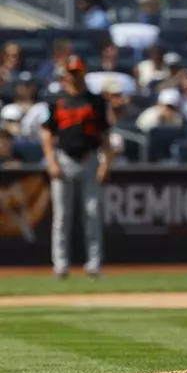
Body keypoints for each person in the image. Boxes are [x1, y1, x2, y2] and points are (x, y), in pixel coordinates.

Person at [40, 54, 113, 280]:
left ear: (84, 73)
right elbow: (46, 132)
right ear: (66, 74)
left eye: (78, 72)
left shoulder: (95, 101)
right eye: (71, 72)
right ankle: (60, 265)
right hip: (63, 159)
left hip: (90, 159)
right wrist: (51, 160)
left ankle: (94, 264)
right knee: (62, 216)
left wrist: (106, 162)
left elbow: (105, 134)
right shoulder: (56, 99)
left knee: (92, 213)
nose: (74, 76)